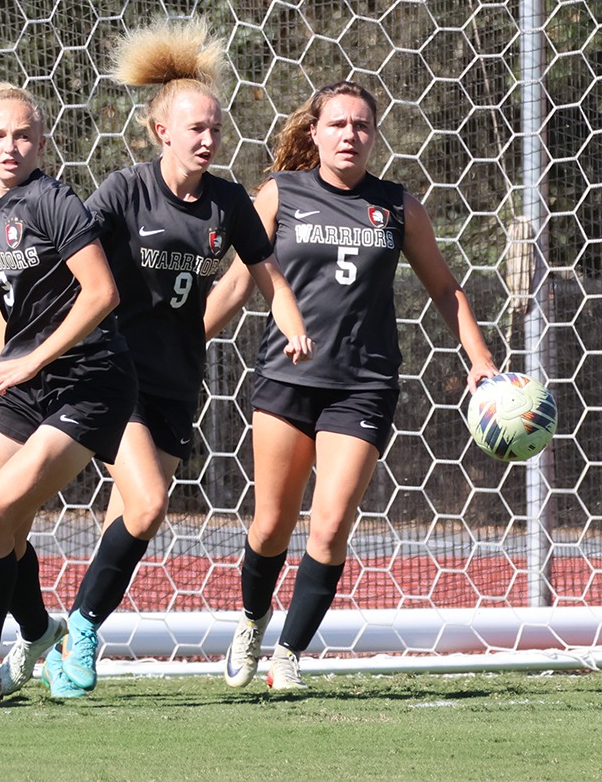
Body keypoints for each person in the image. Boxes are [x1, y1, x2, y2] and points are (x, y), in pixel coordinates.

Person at [41, 21, 314, 697]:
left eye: (215, 128)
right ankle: (78, 628)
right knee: (152, 502)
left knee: (130, 517)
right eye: (194, 127)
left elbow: (268, 278)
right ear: (159, 130)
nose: (207, 138)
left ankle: (56, 643)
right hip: (115, 374)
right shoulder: (123, 193)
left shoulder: (227, 204)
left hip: (175, 382)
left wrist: (294, 324)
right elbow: (69, 264)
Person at [214, 80, 499, 691]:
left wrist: (479, 359)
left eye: (362, 125)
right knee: (269, 525)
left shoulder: (399, 206)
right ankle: (251, 619)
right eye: (338, 124)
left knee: (331, 525)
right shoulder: (279, 194)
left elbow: (445, 289)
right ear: (313, 133)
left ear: (375, 135)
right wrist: (178, 346)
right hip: (286, 378)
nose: (350, 135)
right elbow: (238, 285)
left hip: (362, 386)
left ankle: (288, 654)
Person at [0, 82, 131, 710]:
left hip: (86, 381)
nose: (12, 146)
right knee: (4, 527)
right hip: (24, 382)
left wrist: (33, 360)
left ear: (42, 140)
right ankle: (43, 630)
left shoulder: (54, 202)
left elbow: (102, 295)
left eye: (23, 134)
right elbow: (5, 303)